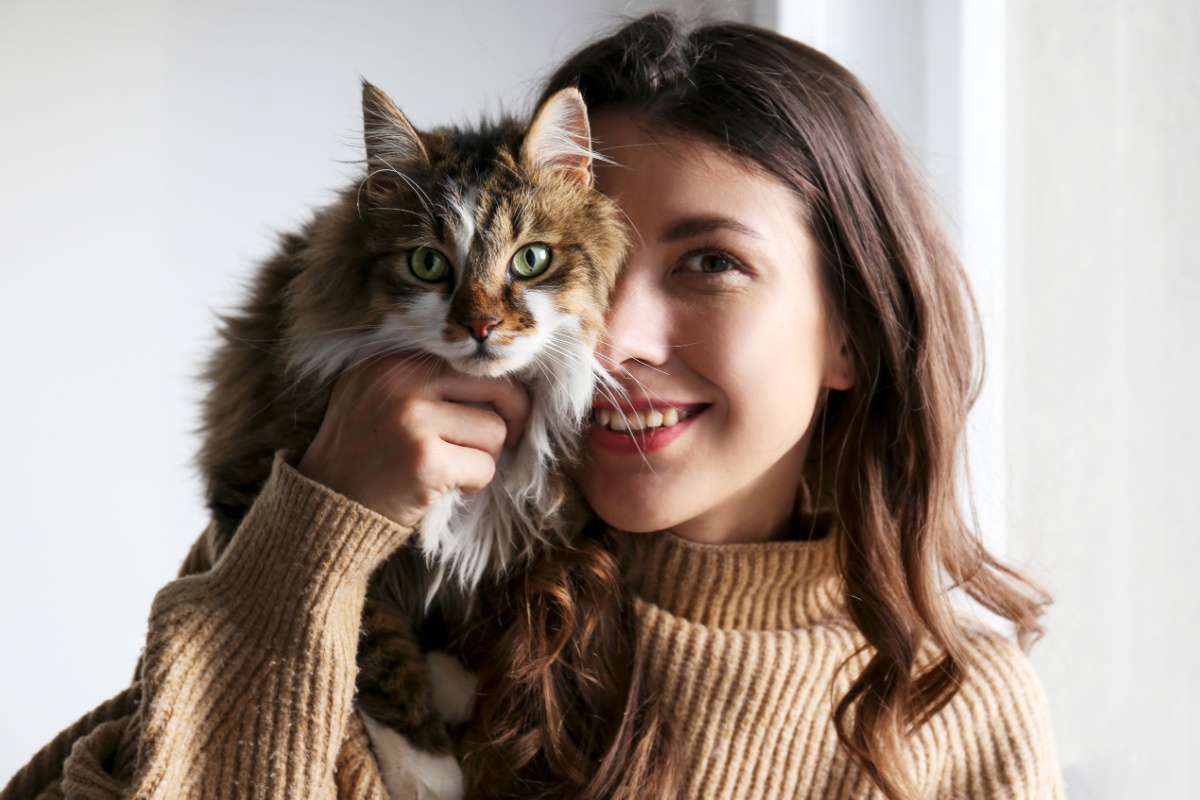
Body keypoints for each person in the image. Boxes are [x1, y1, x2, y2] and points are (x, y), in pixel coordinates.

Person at [2, 13, 1064, 800]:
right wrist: (316, 528)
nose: (609, 335)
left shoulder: (957, 707)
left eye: (709, 262)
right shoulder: (368, 568)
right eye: (592, 268)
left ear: (851, 328)